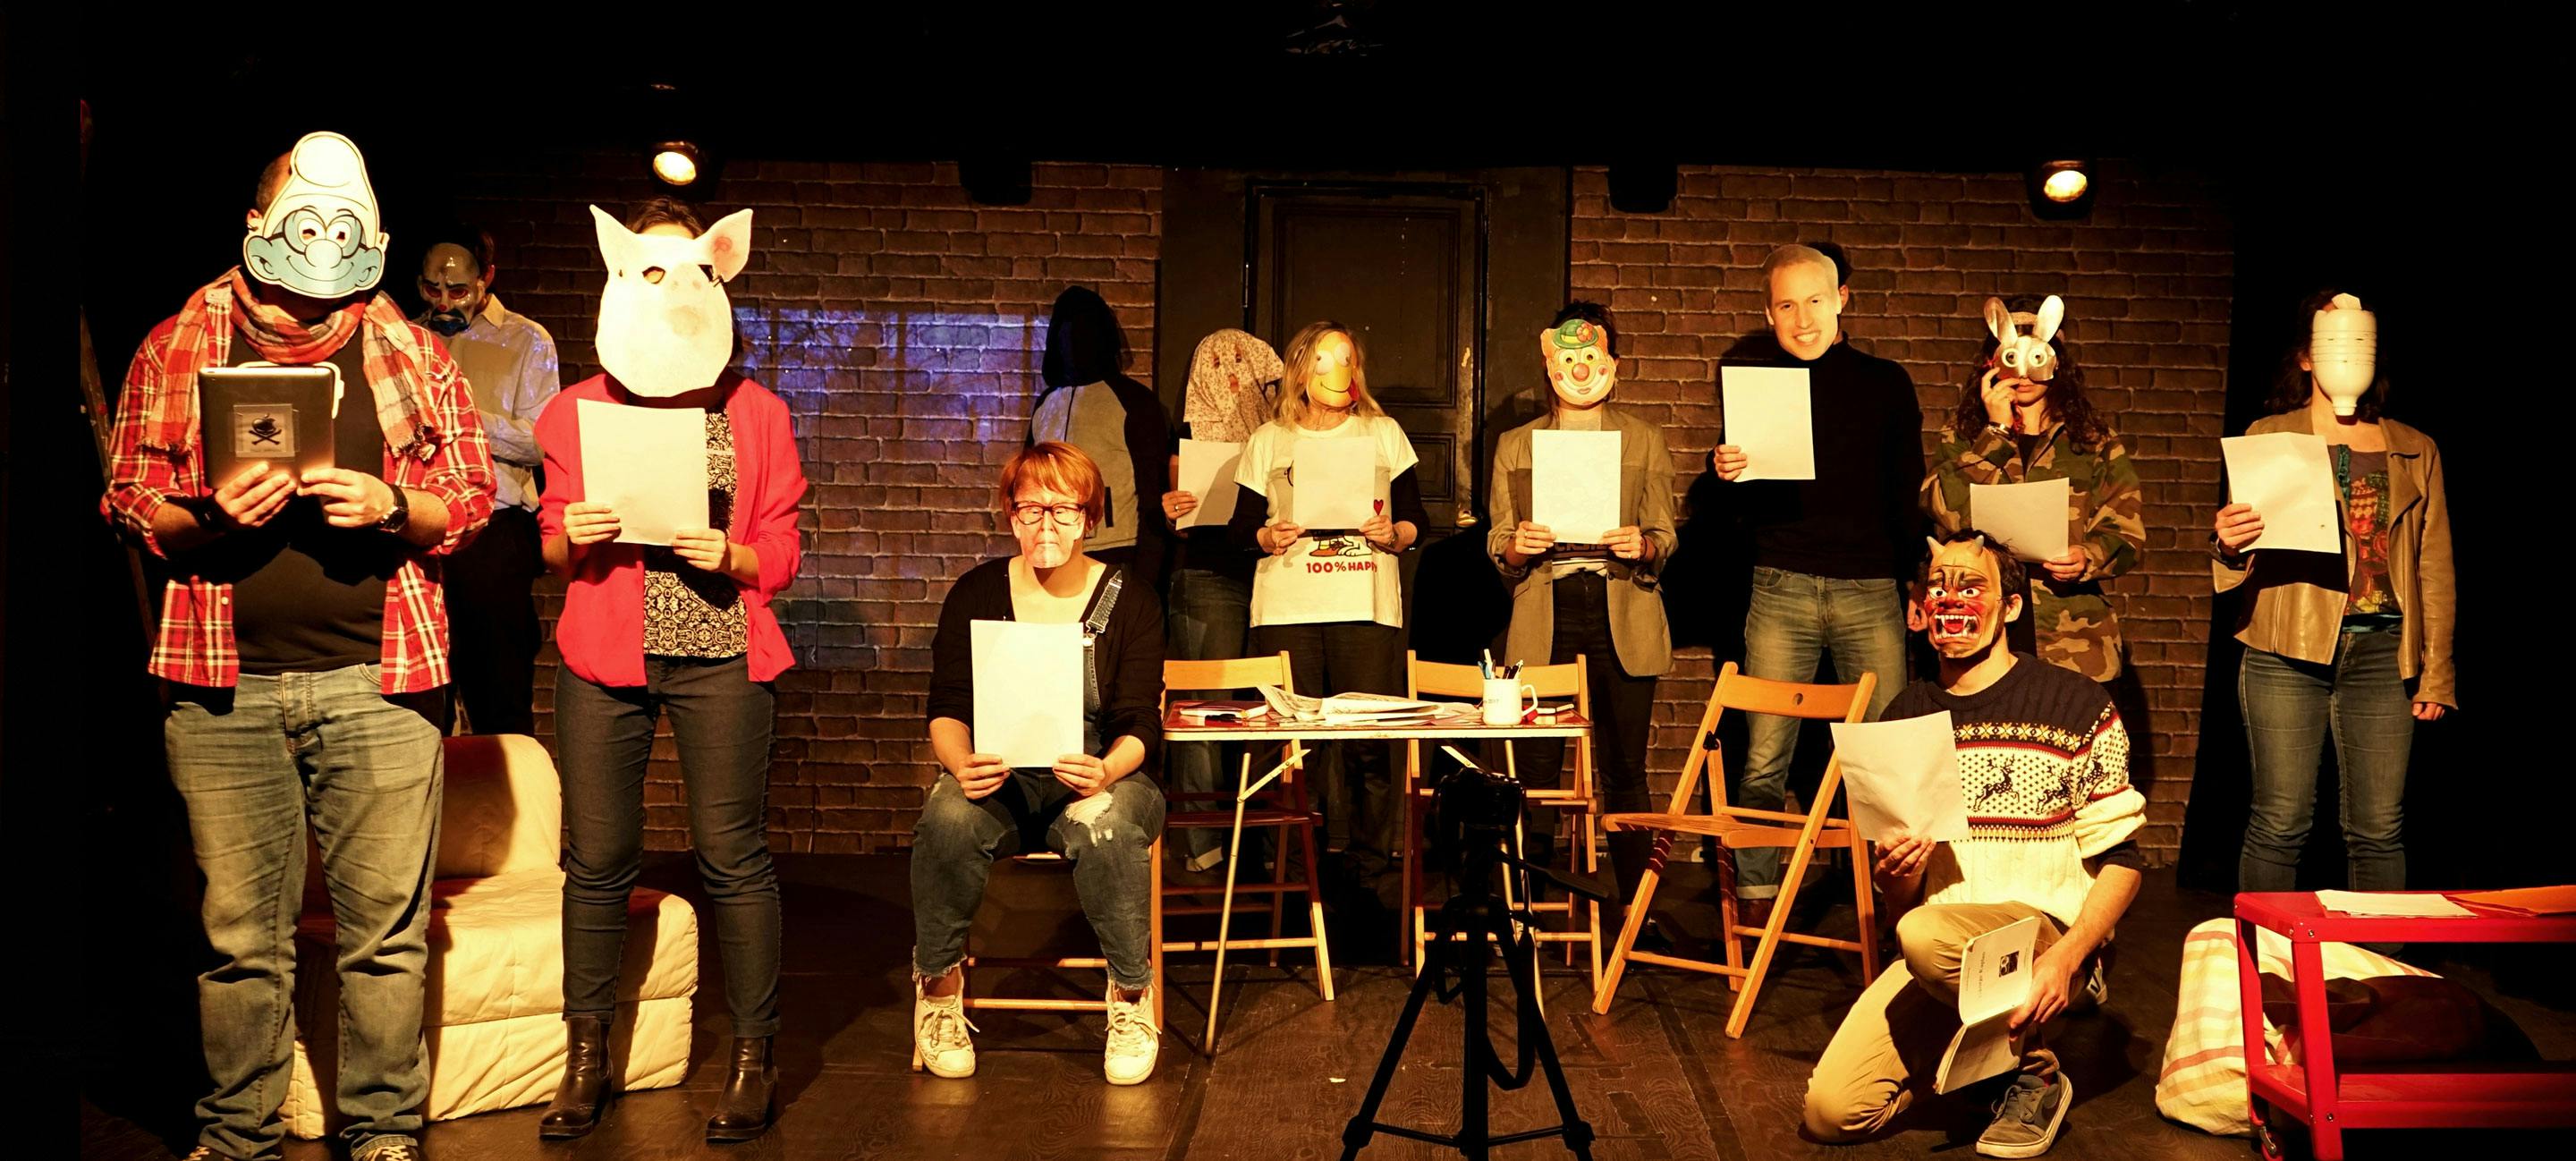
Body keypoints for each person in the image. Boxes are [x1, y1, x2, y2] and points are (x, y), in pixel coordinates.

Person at [101, 131, 494, 1161]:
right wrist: (206, 516)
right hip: (221, 687)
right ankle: (235, 1134)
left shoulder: (410, 348)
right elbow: (129, 495)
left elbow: (470, 496)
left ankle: (380, 1131)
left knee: (385, 938)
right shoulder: (178, 340)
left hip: (382, 681)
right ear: (256, 223)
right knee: (240, 943)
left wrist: (394, 502)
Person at [535, 199, 806, 1142]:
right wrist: (568, 532)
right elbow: (552, 534)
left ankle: (752, 1059)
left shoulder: (756, 409)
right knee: (596, 858)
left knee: (733, 856)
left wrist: (730, 555)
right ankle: (584, 1060)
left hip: (720, 648)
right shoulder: (573, 408)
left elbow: (780, 543)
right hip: (605, 653)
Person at [1804, 530, 2146, 1158]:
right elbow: (1902, 905)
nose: (1950, 599)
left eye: (1971, 586)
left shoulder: (2074, 702)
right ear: (1918, 610)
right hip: (1945, 954)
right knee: (1834, 1113)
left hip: (2044, 933)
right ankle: (1981, 1068)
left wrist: (2070, 957)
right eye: (1937, 587)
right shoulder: (1906, 714)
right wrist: (1896, 875)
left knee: (1925, 937)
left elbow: (2123, 862)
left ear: (2010, 608)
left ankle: (2035, 1075)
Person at [912, 442, 1169, 1086]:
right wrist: (959, 762)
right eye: (1030, 510)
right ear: (1009, 515)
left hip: (1100, 774)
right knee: (945, 816)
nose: (1046, 526)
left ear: (1090, 518)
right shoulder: (976, 591)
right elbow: (945, 708)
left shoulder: (1129, 598)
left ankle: (1131, 1000)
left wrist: (1107, 771)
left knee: (1105, 825)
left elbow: (1142, 722)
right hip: (997, 779)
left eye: (1063, 510)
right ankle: (938, 991)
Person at [1707, 243, 1925, 924]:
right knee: (1765, 753)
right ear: (1768, 311)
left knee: (1884, 756)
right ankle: (1754, 905)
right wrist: (1726, 473)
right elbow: (1739, 511)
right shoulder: (1751, 379)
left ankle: (1890, 906)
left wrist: (1915, 579)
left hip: (1869, 587)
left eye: (1814, 300)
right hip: (1782, 583)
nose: (1802, 318)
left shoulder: (1886, 382)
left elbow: (1904, 491)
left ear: (1841, 301)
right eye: (1786, 305)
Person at [2214, 291, 2453, 896]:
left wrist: (2438, 671)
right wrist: (2228, 544)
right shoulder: (2270, 435)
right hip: (2284, 649)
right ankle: (2264, 969)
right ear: (2305, 358)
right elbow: (2240, 544)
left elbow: (2434, 564)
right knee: (2279, 821)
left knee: (2378, 828)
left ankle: (2380, 976)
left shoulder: (2414, 447)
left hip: (2383, 652)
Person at [1487, 302, 1676, 929]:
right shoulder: (1517, 444)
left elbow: (1664, 533)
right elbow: (1499, 543)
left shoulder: (1642, 438)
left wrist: (1642, 545)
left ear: (1613, 365)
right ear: (1550, 364)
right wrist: (1518, 547)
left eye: (1592, 357)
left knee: (1624, 767)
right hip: (1548, 605)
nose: (1581, 369)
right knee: (1535, 767)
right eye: (1568, 358)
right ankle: (1526, 905)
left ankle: (1637, 910)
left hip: (1619, 603)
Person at [1225, 321, 1427, 864]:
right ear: (1300, 370)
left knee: (1368, 743)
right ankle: (1293, 865)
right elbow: (1240, 530)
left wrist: (1394, 534)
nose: (1336, 371)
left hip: (1364, 603)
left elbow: (1416, 522)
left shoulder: (1383, 433)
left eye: (1345, 360)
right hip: (1288, 606)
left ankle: (1369, 868)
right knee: (1291, 745)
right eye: (1322, 359)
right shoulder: (1270, 441)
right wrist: (1266, 536)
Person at [1923, 296, 2146, 682]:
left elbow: (2126, 534)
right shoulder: (1963, 435)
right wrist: (1994, 434)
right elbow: (1941, 506)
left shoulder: (2092, 441)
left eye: (2036, 359)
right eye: (2011, 358)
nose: (2023, 374)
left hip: (2068, 634)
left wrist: (2086, 557)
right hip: (1981, 629)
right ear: (1993, 361)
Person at [413, 225, 560, 733]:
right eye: (433, 289)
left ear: (486, 279)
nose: (445, 301)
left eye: (458, 290)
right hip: (417, 525)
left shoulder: (526, 340)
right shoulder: (405, 341)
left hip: (494, 528)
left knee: (499, 696)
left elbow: (543, 440)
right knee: (422, 696)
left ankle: (507, 808)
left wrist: (463, 416)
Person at [1157, 328, 1284, 871]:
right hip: (1211, 572)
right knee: (1206, 711)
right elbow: (1167, 518)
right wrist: (1172, 510)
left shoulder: (1286, 433)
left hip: (1280, 574)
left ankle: (1264, 841)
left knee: (1274, 710)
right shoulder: (1183, 434)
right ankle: (1204, 844)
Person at [1030, 285, 1170, 583]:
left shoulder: (1133, 401)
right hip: (1051, 549)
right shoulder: (1046, 404)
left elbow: (1152, 493)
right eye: (1065, 330)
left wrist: (1146, 578)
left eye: (1082, 330)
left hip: (1116, 553)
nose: (1073, 340)